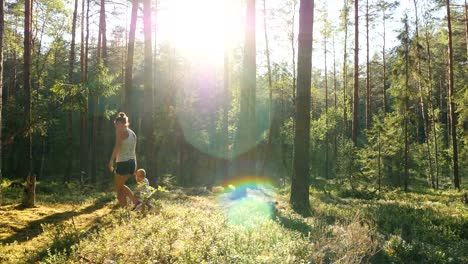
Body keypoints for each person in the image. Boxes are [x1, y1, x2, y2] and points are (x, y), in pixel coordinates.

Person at [108, 112, 139, 208]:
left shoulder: (120, 132)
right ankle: (129, 207)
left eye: (118, 124)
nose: (117, 126)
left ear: (122, 123)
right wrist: (135, 166)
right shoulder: (132, 133)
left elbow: (117, 147)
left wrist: (111, 161)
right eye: (116, 125)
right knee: (120, 186)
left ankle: (134, 203)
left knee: (118, 187)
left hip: (123, 163)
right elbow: (133, 151)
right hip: (132, 163)